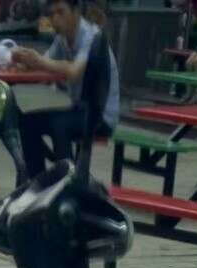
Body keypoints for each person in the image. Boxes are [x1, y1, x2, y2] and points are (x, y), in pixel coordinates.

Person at [10, 1, 119, 178]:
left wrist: (39, 61)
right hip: (80, 109)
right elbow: (44, 64)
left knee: (60, 126)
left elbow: (74, 71)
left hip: (100, 115)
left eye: (61, 12)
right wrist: (24, 59)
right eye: (52, 14)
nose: (55, 19)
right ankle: (38, 182)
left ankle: (66, 184)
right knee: (27, 123)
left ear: (75, 12)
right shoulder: (62, 40)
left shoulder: (90, 36)